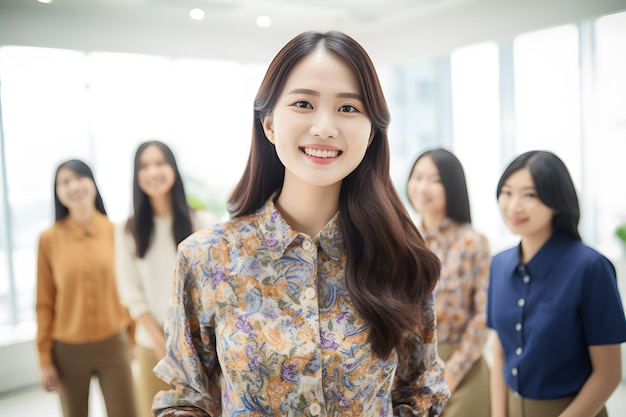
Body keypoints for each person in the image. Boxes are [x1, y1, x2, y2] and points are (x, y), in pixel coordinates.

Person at [152, 31, 450, 417]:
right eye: (304, 104)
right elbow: (187, 397)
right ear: (270, 123)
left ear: (372, 131)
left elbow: (422, 388)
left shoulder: (400, 257)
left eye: (348, 109)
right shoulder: (208, 258)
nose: (325, 126)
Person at [487, 150, 626, 417]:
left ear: (557, 201)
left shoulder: (591, 267)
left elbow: (608, 375)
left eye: (530, 195)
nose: (514, 205)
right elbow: (500, 350)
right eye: (507, 192)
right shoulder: (498, 265)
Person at [115, 140, 216, 417]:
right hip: (152, 348)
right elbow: (131, 293)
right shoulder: (127, 231)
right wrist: (163, 344)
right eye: (145, 165)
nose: (153, 171)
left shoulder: (202, 222)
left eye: (160, 163)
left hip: (200, 350)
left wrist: (188, 346)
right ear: (137, 176)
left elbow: (212, 291)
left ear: (173, 169)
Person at [36, 159, 137, 417]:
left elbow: (130, 289)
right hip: (68, 349)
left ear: (92, 184)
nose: (73, 186)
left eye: (79, 178)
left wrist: (133, 338)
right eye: (64, 182)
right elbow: (44, 302)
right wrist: (45, 360)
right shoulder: (48, 240)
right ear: (57, 192)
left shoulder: (116, 231)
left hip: (114, 343)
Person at [406, 148, 491, 417]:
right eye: (418, 177)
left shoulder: (473, 242)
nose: (423, 187)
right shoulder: (401, 240)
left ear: (452, 186)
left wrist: (451, 374)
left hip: (462, 367)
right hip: (410, 370)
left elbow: (483, 317)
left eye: (435, 179)